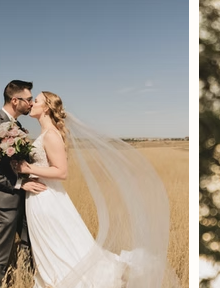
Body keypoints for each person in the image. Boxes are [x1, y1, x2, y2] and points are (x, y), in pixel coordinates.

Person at [17, 90, 177, 288]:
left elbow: (61, 172)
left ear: (47, 108)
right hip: (38, 198)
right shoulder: (43, 134)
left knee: (60, 246)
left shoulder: (51, 135)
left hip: (48, 199)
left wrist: (28, 168)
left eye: (37, 100)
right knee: (52, 246)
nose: (31, 103)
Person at [0, 80, 35, 288]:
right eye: (28, 99)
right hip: (4, 199)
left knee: (28, 244)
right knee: (3, 251)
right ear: (15, 100)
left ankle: (26, 282)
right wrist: (18, 184)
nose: (31, 103)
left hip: (23, 196)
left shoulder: (17, 125)